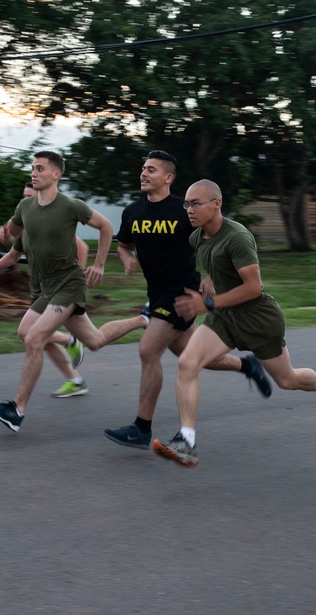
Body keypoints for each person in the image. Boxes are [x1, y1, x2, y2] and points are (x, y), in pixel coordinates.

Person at [152, 179, 316, 468]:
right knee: (188, 363)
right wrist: (209, 282)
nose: (189, 210)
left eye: (196, 203)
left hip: (258, 319)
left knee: (287, 380)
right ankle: (187, 440)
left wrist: (207, 303)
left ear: (216, 204)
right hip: (225, 316)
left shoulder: (238, 237)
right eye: (187, 204)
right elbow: (216, 267)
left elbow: (253, 287)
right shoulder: (198, 238)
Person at [103, 151, 273, 450]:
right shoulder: (132, 212)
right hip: (155, 293)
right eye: (143, 168)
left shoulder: (185, 210)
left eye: (151, 170)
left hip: (182, 294)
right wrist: (126, 256)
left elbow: (215, 240)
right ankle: (247, 366)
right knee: (190, 356)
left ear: (168, 178)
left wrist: (211, 277)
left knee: (147, 350)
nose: (143, 173)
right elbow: (125, 243)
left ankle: (142, 427)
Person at [0, 151, 146, 432]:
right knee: (91, 341)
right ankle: (144, 319)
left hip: (69, 283)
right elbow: (11, 238)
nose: (34, 173)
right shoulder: (26, 208)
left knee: (35, 338)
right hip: (46, 288)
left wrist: (100, 264)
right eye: (33, 168)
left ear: (56, 174)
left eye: (40, 168)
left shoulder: (71, 206)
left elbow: (106, 226)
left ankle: (16, 409)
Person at [0, 181, 91, 398]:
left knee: (28, 333)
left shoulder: (50, 221)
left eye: (32, 195)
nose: (28, 199)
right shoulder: (27, 220)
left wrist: (76, 276)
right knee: (40, 340)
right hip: (39, 289)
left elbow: (82, 246)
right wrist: (3, 238)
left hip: (58, 288)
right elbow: (13, 248)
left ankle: (70, 341)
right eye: (25, 195)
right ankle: (75, 380)